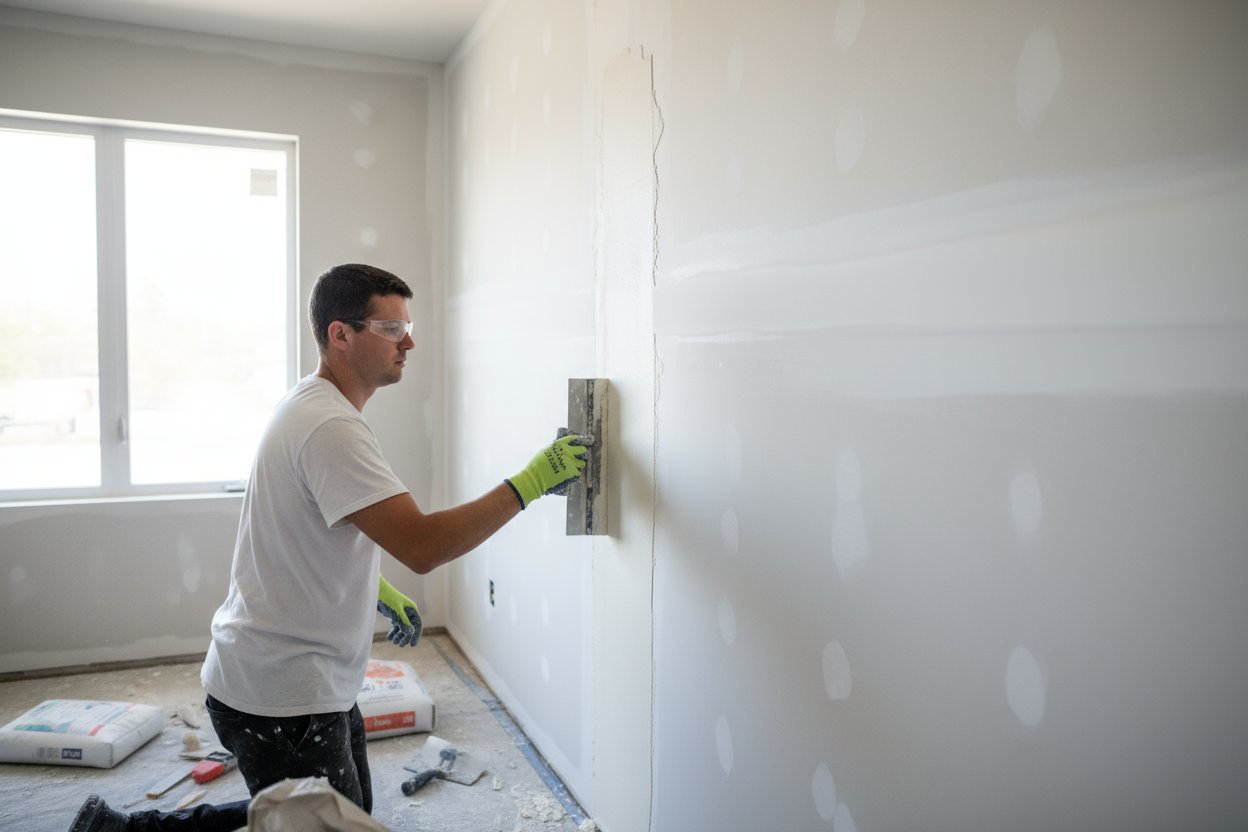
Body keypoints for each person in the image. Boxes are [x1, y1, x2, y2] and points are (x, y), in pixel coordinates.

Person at [69, 263, 591, 832]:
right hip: (281, 693)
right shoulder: (329, 428)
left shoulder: (315, 406)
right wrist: (533, 482)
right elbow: (422, 544)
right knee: (319, 823)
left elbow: (314, 527)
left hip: (300, 678)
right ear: (340, 334)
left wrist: (378, 590)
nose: (409, 342)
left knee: (341, 812)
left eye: (407, 326)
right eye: (391, 329)